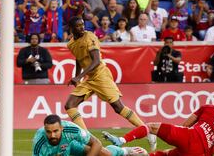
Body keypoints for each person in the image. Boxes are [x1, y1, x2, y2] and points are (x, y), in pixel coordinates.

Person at [65, 16, 157, 151]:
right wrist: (77, 76)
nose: (82, 27)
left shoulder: (89, 37)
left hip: (101, 75)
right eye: (78, 26)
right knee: (70, 105)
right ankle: (86, 138)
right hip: (89, 78)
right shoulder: (71, 43)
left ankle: (147, 131)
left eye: (82, 24)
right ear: (71, 28)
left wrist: (79, 76)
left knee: (118, 107)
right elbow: (79, 59)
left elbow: (96, 61)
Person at [103, 95, 214, 156]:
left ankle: (122, 142)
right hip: (201, 153)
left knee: (152, 127)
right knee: (167, 154)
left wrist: (177, 137)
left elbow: (186, 124)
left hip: (191, 138)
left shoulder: (209, 108)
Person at [32, 114, 147, 156]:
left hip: (70, 145)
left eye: (56, 131)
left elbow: (96, 143)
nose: (52, 135)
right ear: (45, 130)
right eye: (48, 132)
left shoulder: (71, 130)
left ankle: (125, 152)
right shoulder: (39, 142)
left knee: (105, 154)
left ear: (62, 128)